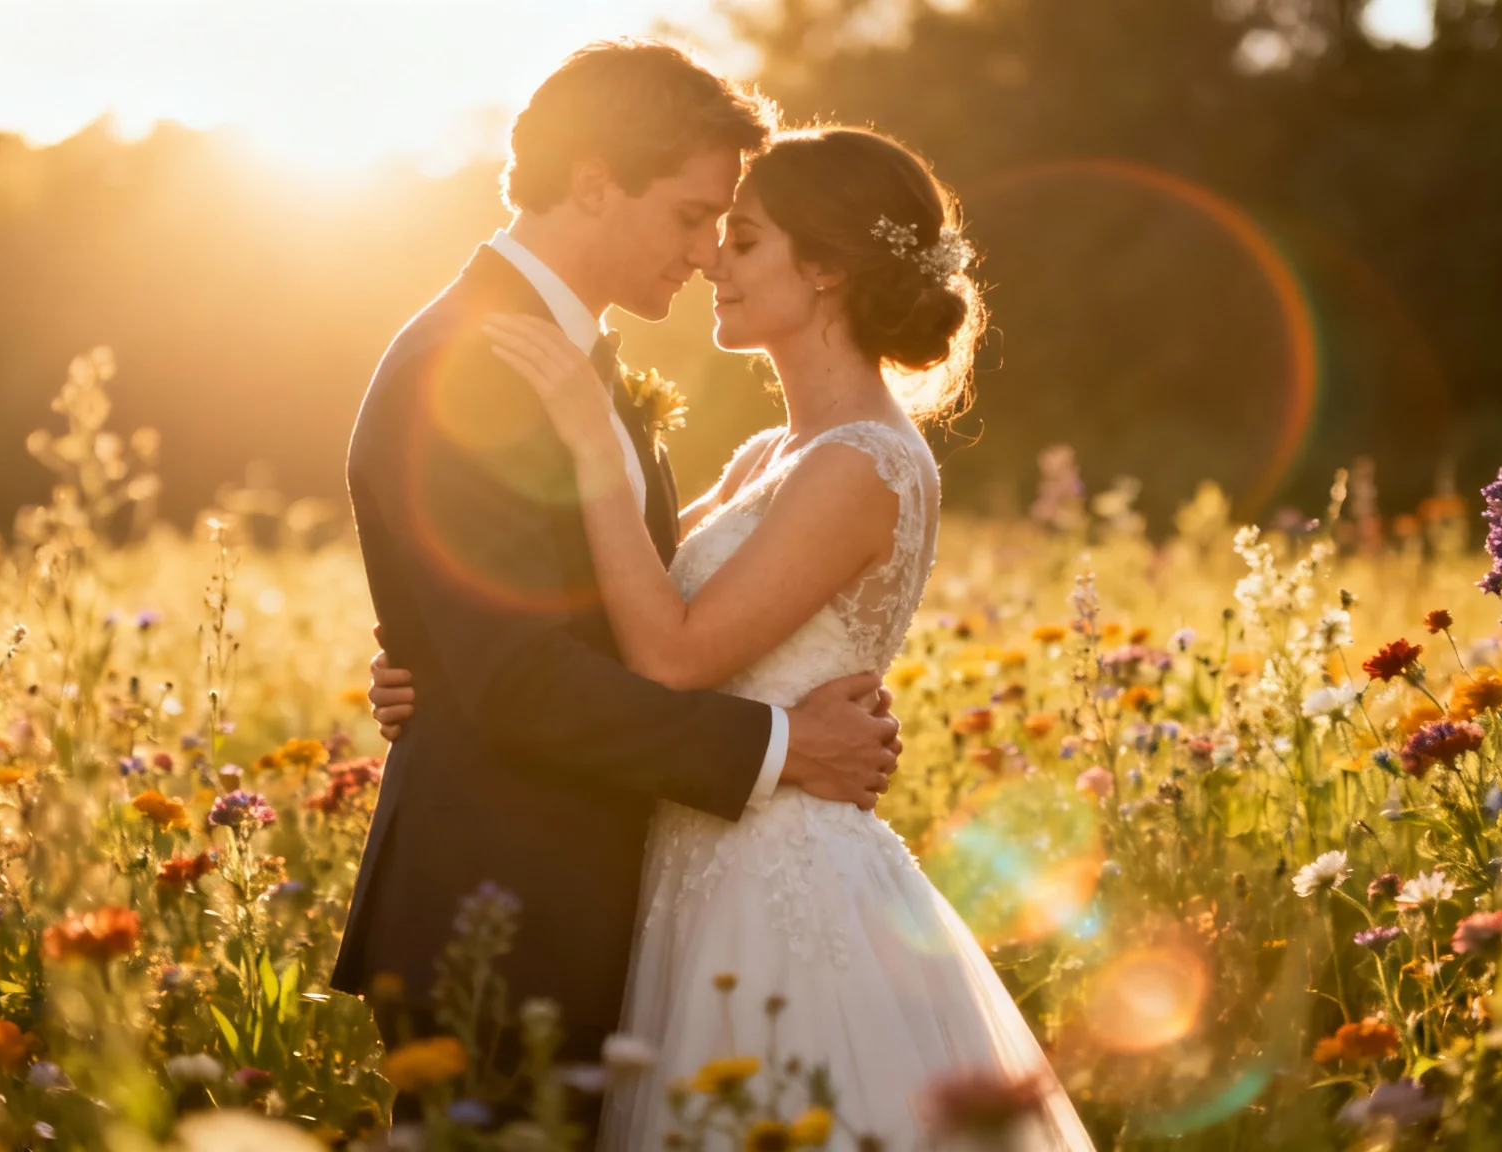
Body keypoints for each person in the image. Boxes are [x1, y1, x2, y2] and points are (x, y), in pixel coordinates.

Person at [369, 118, 1095, 1148]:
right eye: (710, 227)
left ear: (830, 269)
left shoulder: (861, 465)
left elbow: (671, 653)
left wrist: (589, 442)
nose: (712, 256)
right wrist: (438, 667)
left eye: (742, 238)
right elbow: (613, 611)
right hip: (686, 858)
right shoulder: (769, 452)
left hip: (778, 877)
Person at [329, 40, 907, 1122]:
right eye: (692, 215)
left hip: (589, 903)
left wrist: (440, 669)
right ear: (593, 182)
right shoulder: (471, 366)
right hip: (501, 915)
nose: (705, 253)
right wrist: (785, 748)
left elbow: (567, 621)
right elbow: (518, 678)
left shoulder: (561, 355)